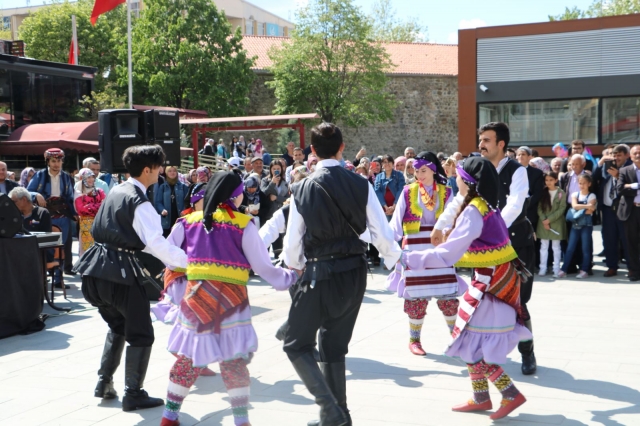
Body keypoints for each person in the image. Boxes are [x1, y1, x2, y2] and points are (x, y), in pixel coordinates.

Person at [283, 122, 402, 426]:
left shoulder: (302, 187)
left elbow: (292, 242)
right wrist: (396, 261)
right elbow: (382, 233)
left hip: (320, 272)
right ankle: (339, 415)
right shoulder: (360, 183)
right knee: (334, 345)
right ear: (342, 147)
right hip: (355, 272)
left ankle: (330, 410)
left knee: (296, 344)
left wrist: (293, 267)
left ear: (311, 150)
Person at [158, 172, 297, 426]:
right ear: (236, 194)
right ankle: (241, 421)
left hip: (196, 301)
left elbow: (168, 254)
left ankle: (169, 417)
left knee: (188, 359)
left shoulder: (187, 222)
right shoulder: (244, 224)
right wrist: (290, 277)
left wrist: (194, 267)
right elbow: (263, 267)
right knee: (233, 362)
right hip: (232, 305)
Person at [402, 156, 530, 420]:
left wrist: (408, 258)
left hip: (490, 285)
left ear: (468, 181)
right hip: (490, 280)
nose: (454, 178)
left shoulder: (474, 210)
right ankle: (481, 397)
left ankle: (509, 394)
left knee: (470, 341)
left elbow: (447, 254)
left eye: (458, 175)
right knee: (466, 339)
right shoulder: (480, 205)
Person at [73, 145, 188, 412]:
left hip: (94, 271)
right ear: (147, 169)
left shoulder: (116, 190)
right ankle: (133, 394)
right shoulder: (140, 202)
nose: (161, 172)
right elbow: (156, 244)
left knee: (118, 326)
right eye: (159, 167)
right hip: (119, 274)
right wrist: (191, 261)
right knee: (141, 334)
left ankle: (104, 383)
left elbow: (145, 242)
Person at [431, 122, 537, 376]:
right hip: (485, 249)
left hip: (514, 244)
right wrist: (441, 224)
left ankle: (527, 351)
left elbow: (514, 205)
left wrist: (491, 226)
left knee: (518, 302)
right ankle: (485, 357)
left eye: (487, 140)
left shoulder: (517, 171)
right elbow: (461, 197)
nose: (481, 145)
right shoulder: (476, 166)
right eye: (480, 140)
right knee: (484, 299)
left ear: (501, 144)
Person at [387, 152, 458, 356]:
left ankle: (456, 338)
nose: (419, 174)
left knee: (447, 296)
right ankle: (414, 340)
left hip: (439, 251)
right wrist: (388, 245)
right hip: (415, 250)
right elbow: (396, 222)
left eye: (423, 170)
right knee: (416, 297)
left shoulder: (447, 192)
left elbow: (455, 219)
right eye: (416, 171)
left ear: (433, 170)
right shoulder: (409, 191)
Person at [27, 149, 77, 284]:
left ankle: (57, 277)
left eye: (59, 161)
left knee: (60, 247)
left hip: (63, 215)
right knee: (47, 246)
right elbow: (27, 191)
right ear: (48, 161)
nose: (56, 164)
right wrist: (36, 195)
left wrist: (75, 213)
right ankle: (45, 273)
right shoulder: (40, 175)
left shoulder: (66, 177)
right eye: (53, 161)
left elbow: (71, 197)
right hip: (45, 215)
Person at [595, 145, 631, 277]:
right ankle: (611, 266)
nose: (616, 158)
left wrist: (617, 176)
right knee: (609, 239)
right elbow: (593, 179)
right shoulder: (606, 167)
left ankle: (632, 267)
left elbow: (631, 186)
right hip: (607, 208)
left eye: (619, 155)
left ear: (627, 155)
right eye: (614, 155)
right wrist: (601, 162)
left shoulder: (630, 168)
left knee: (627, 239)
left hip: (624, 209)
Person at [557, 174, 597, 278]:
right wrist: (587, 206)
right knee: (570, 247)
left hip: (586, 226)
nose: (582, 185)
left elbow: (591, 210)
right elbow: (575, 205)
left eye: (584, 183)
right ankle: (564, 269)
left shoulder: (592, 195)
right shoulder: (575, 194)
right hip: (575, 225)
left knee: (585, 248)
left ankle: (584, 270)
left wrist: (582, 207)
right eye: (580, 183)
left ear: (589, 184)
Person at [615, 145, 640, 281]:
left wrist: (628, 186)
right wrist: (635, 186)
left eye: (639, 152)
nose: (638, 155)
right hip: (631, 211)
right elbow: (620, 189)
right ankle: (635, 271)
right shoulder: (625, 170)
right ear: (630, 156)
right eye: (635, 153)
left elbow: (625, 187)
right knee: (631, 242)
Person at [536, 172, 566, 277]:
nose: (548, 182)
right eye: (546, 180)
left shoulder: (561, 192)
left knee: (556, 247)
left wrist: (549, 219)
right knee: (543, 246)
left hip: (556, 223)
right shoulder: (543, 192)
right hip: (543, 223)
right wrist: (544, 219)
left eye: (551, 180)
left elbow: (562, 208)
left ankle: (556, 268)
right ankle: (542, 268)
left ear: (556, 180)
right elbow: (539, 208)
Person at [74, 169, 106, 256]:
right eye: (88, 177)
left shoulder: (99, 191)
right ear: (82, 179)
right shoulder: (78, 193)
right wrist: (97, 206)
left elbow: (105, 205)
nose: (91, 179)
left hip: (99, 224)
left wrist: (89, 206)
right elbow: (81, 210)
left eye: (92, 177)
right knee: (86, 250)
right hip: (86, 224)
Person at [155, 166, 189, 238]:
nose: (172, 173)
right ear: (166, 173)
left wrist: (184, 211)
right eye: (170, 171)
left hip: (180, 218)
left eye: (174, 171)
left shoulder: (183, 186)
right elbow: (158, 202)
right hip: (167, 219)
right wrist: (162, 210)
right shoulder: (162, 187)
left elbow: (187, 202)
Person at [374, 155, 406, 220]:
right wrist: (386, 207)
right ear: (382, 164)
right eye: (385, 162)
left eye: (389, 162)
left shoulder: (399, 175)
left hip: (397, 205)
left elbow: (400, 190)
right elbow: (378, 192)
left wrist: (394, 206)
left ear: (393, 163)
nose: (387, 164)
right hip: (384, 207)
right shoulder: (378, 177)